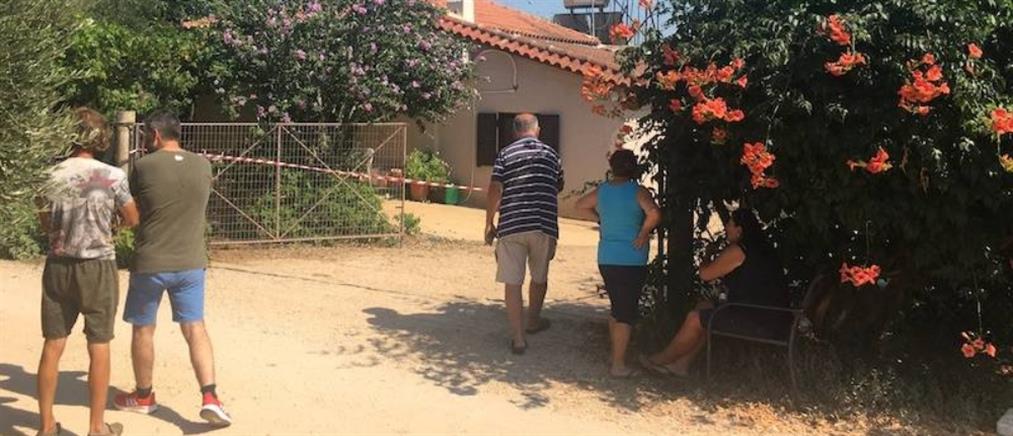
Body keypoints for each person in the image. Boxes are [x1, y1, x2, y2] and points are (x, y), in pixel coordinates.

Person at [112, 111, 232, 427]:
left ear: (154, 134)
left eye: (144, 136)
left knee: (143, 328)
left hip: (151, 261)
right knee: (195, 327)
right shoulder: (203, 165)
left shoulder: (144, 166)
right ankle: (210, 396)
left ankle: (143, 396)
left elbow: (133, 208)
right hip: (191, 261)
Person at [36, 107, 139, 436]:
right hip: (98, 265)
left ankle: (46, 426)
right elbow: (133, 217)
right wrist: (113, 227)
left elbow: (44, 220)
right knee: (99, 343)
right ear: (101, 138)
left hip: (58, 264)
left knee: (53, 343)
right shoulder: (112, 176)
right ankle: (97, 427)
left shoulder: (50, 175)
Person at [640, 208, 788, 376]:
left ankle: (660, 360)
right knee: (704, 307)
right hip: (770, 316)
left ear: (739, 230)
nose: (726, 228)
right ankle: (681, 365)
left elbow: (706, 275)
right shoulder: (761, 249)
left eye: (730, 224)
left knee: (695, 318)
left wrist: (707, 255)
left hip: (758, 320)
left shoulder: (739, 251)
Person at [575, 149, 661, 377]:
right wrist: (643, 233)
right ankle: (618, 365)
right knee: (625, 312)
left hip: (607, 257)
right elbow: (654, 213)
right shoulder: (638, 191)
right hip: (631, 258)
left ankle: (615, 356)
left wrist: (600, 219)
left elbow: (580, 205)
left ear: (612, 168)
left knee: (617, 307)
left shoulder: (603, 191)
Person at [485, 113, 565, 355]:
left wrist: (489, 222)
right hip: (543, 224)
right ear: (537, 130)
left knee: (513, 282)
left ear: (514, 131)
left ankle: (518, 339)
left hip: (512, 224)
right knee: (539, 277)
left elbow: (495, 188)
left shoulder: (505, 154)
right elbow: (558, 185)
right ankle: (533, 321)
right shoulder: (551, 155)